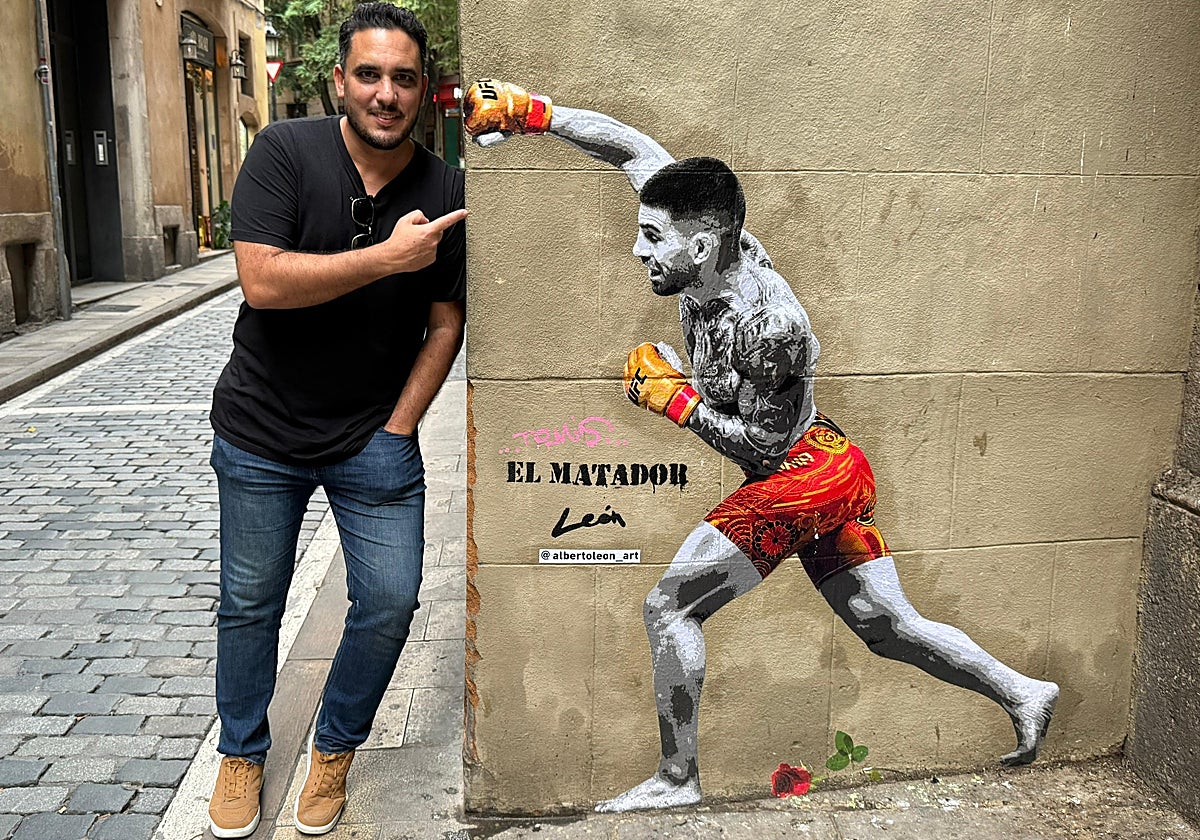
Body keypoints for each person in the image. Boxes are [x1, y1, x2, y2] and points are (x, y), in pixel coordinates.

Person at [464, 80, 1059, 814]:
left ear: (702, 245)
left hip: (805, 472)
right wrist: (534, 114)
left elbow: (762, 442)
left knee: (669, 607)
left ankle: (677, 781)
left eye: (651, 238)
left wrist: (677, 401)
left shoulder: (770, 326)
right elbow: (629, 148)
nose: (636, 248)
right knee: (886, 627)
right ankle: (1024, 693)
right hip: (827, 464)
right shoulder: (703, 229)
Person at [204, 5, 467, 837]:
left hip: (372, 442)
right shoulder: (284, 153)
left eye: (403, 78)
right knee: (250, 603)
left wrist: (400, 428)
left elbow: (446, 323)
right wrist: (387, 258)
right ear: (339, 80)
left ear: (422, 89)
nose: (386, 94)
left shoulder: (444, 188)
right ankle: (241, 752)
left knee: (390, 602)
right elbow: (263, 282)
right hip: (260, 433)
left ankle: (335, 749)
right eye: (370, 74)